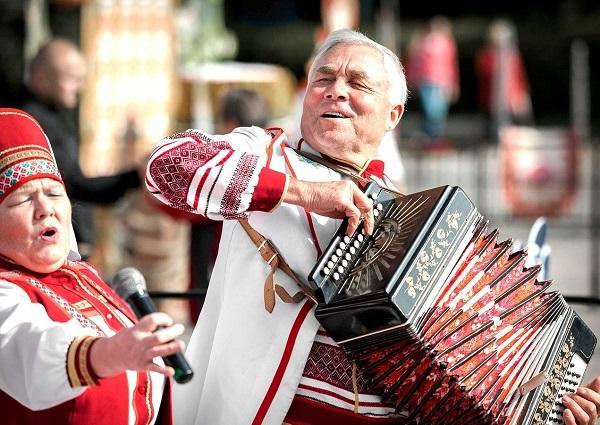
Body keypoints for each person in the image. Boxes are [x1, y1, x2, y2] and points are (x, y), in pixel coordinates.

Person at [145, 30, 600, 425]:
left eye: (357, 83)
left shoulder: (410, 214)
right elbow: (164, 167)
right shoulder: (262, 152)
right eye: (323, 78)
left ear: (393, 115)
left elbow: (475, 356)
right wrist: (301, 191)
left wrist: (547, 402)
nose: (335, 91)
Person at [0, 108, 186, 424]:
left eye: (54, 192)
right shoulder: (6, 291)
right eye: (21, 200)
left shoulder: (83, 276)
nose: (46, 209)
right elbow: (27, 351)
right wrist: (109, 353)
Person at [20, 37, 141, 259]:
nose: (79, 87)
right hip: (48, 244)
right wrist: (136, 176)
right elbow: (72, 184)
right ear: (41, 78)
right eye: (72, 79)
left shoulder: (51, 116)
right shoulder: (30, 122)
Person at [405, 16, 459, 145]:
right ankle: (431, 137)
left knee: (438, 112)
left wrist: (453, 84)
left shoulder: (447, 44)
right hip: (427, 81)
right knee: (431, 111)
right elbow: (415, 63)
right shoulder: (423, 43)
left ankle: (434, 137)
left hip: (442, 83)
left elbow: (451, 65)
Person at [476, 19, 532, 141]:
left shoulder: (513, 55)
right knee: (493, 131)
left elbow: (519, 77)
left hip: (512, 100)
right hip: (492, 101)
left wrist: (521, 96)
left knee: (518, 130)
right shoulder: (486, 56)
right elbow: (486, 78)